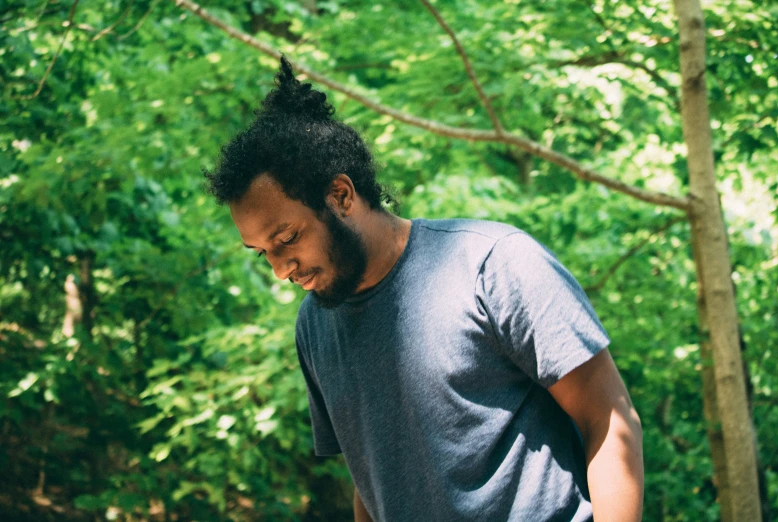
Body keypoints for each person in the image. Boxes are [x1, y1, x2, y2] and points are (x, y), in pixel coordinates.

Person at [205, 57, 644, 521]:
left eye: (287, 238)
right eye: (261, 252)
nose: (278, 268)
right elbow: (372, 480)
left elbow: (610, 419)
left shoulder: (493, 265)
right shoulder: (314, 326)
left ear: (341, 196)